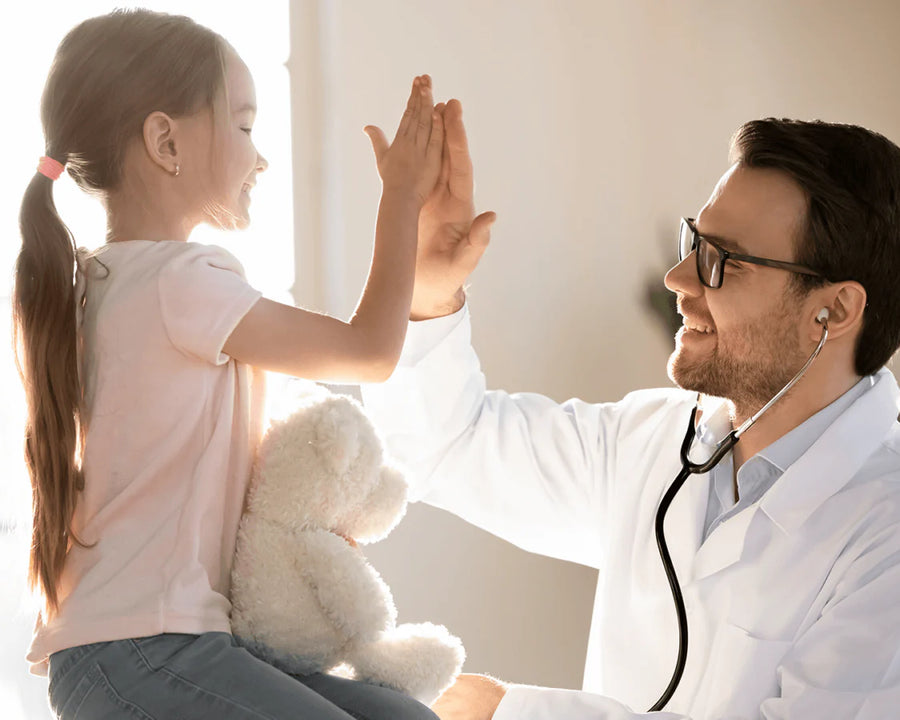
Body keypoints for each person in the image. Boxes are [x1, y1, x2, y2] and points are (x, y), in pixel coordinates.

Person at [361, 113, 900, 719]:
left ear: (832, 311)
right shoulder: (654, 441)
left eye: (724, 261)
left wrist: (508, 713)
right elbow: (445, 445)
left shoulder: (886, 537)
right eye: (694, 242)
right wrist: (429, 294)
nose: (677, 278)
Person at [15, 8, 449, 719]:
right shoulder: (179, 281)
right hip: (140, 652)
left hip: (144, 650)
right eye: (245, 127)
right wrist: (402, 196)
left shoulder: (108, 282)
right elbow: (370, 351)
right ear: (165, 141)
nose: (261, 156)